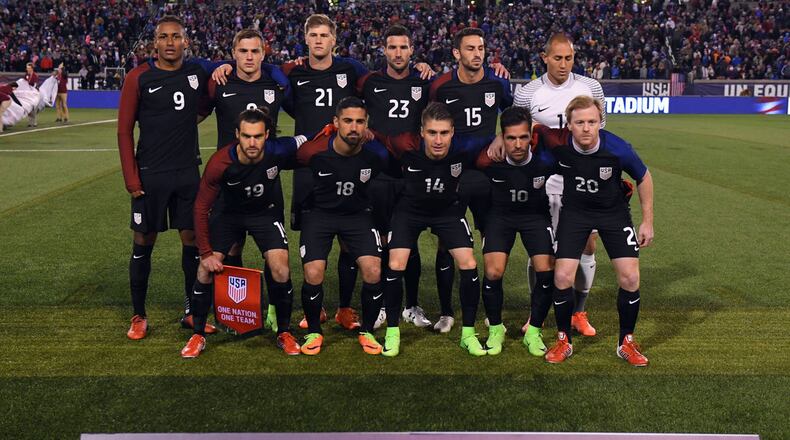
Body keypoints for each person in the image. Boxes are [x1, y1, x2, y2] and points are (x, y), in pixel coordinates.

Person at [536, 96, 653, 366]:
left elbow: (644, 176)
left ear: (600, 122)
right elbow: (534, 141)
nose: (586, 128)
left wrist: (647, 221)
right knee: (563, 276)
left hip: (613, 214)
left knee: (630, 278)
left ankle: (626, 343)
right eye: (580, 122)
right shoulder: (559, 146)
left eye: (592, 121)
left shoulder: (617, 148)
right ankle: (564, 340)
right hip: (575, 214)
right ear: (569, 124)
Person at [181, 108, 307, 358]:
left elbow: (307, 140)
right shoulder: (220, 163)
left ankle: (284, 331)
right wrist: (206, 253)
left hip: (264, 214)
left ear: (267, 135)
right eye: (247, 136)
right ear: (237, 134)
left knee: (281, 267)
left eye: (258, 136)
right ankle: (197, 334)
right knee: (204, 269)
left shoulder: (277, 150)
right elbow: (200, 208)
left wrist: (332, 132)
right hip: (228, 215)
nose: (252, 142)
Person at [117, 15, 213, 340]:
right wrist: (132, 178)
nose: (170, 42)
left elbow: (204, 107)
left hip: (187, 173)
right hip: (150, 176)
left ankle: (190, 312)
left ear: (186, 42)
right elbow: (123, 131)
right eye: (164, 37)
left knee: (192, 241)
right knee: (144, 241)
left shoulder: (197, 73)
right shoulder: (138, 77)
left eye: (176, 37)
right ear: (154, 43)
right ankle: (138, 315)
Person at [376, 102, 493, 357]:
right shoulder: (404, 146)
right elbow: (378, 138)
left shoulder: (466, 147)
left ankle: (468, 334)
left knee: (468, 263)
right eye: (432, 133)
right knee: (396, 263)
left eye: (443, 133)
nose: (438, 140)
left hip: (447, 211)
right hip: (409, 210)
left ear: (453, 133)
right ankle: (393, 333)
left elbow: (496, 140)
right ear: (422, 132)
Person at [513, 33, 606, 337]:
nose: (564, 64)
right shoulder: (528, 93)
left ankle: (579, 311)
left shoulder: (590, 88)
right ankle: (535, 311)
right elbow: (520, 138)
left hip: (581, 179)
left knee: (588, 244)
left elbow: (598, 134)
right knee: (540, 247)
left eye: (568, 58)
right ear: (544, 57)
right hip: (544, 181)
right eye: (557, 58)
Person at [204, 28, 291, 331]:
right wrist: (216, 67)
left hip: (267, 183)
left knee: (275, 256)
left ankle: (272, 310)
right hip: (228, 185)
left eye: (255, 51)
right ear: (234, 53)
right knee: (231, 250)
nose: (249, 56)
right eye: (243, 51)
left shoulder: (276, 85)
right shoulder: (220, 84)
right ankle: (236, 312)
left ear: (263, 53)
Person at [429, 27, 513, 333]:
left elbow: (515, 116)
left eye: (481, 48)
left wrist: (503, 135)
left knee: (492, 243)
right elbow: (426, 123)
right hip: (450, 175)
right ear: (456, 53)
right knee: (445, 245)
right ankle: (446, 312)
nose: (477, 54)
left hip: (488, 175)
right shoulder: (441, 86)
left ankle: (492, 314)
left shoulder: (497, 83)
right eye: (470, 49)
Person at [295, 96, 389, 355]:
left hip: (357, 215)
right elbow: (287, 158)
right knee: (314, 272)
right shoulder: (314, 152)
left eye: (360, 121)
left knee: (373, 269)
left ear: (366, 124)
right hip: (319, 214)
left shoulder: (375, 155)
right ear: (335, 122)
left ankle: (366, 331)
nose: (354, 127)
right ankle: (314, 331)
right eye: (347, 121)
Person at [357, 24, 434, 330]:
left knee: (409, 244)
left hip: (409, 176)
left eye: (404, 47)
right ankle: (379, 308)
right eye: (392, 47)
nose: (398, 53)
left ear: (412, 50)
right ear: (384, 50)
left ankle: (411, 305)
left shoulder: (423, 82)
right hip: (376, 177)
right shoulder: (369, 82)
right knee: (378, 244)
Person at [474, 107, 556, 356]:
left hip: (535, 217)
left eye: (523, 137)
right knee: (493, 271)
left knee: (546, 270)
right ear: (502, 138)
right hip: (501, 217)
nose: (518, 144)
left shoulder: (546, 160)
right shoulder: (488, 161)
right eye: (510, 138)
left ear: (530, 136)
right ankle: (496, 329)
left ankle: (534, 331)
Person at [24, 63, 39, 127]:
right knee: (29, 107)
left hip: (34, 93)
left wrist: (32, 90)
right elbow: (24, 83)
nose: (28, 69)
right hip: (28, 93)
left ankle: (34, 121)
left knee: (34, 108)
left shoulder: (35, 75)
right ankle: (30, 122)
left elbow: (35, 84)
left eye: (29, 68)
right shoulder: (26, 75)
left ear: (32, 69)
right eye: (27, 68)